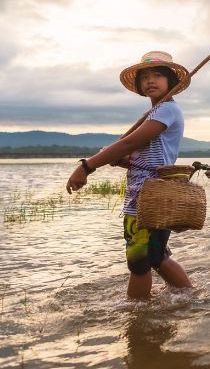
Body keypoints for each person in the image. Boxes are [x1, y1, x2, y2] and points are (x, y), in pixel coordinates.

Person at [66, 51, 193, 299]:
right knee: (156, 256)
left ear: (171, 81)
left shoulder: (167, 110)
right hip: (143, 195)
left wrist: (87, 166)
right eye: (145, 77)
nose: (150, 80)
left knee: (138, 261)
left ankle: (136, 314)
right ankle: (188, 297)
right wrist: (122, 161)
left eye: (157, 75)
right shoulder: (155, 113)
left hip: (152, 197)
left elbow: (129, 143)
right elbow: (146, 160)